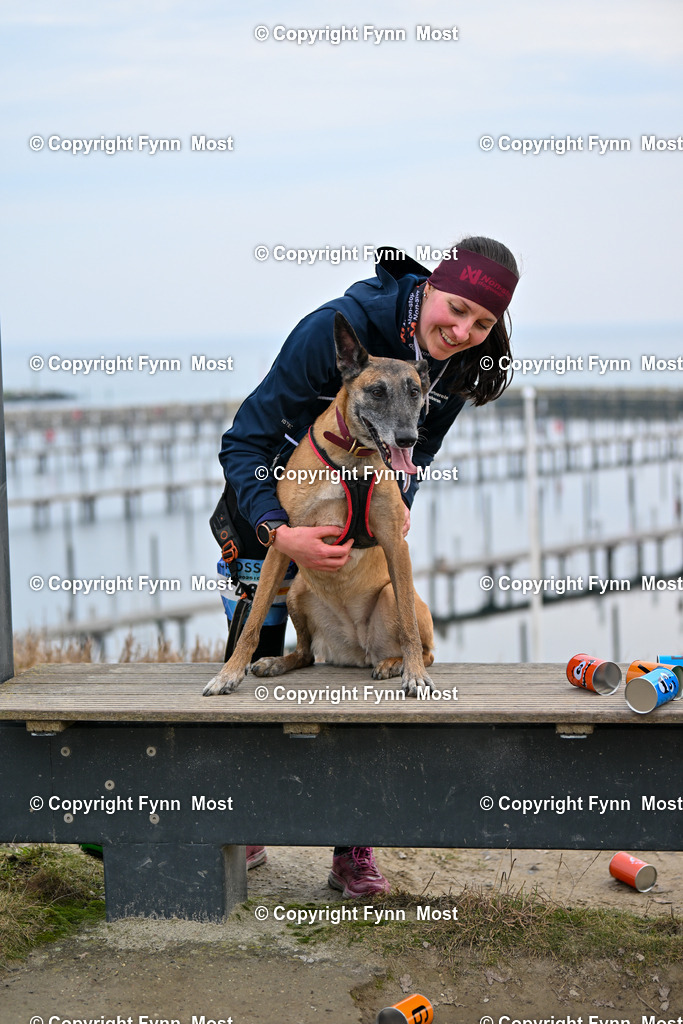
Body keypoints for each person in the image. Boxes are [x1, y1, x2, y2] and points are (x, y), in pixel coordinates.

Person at [213, 236, 519, 896]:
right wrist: (279, 532)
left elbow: (414, 447)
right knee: (254, 666)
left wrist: (396, 502)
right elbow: (244, 441)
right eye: (456, 309)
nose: (462, 330)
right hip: (266, 510)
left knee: (361, 696)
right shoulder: (333, 328)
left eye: (482, 323)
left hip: (359, 518)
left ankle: (352, 846)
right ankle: (245, 819)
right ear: (431, 289)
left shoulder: (455, 362)